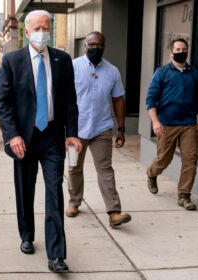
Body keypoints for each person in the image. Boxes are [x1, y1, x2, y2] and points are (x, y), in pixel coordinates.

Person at [0, 10, 82, 273]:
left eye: (47, 27)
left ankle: (56, 255)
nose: (43, 32)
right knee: (25, 190)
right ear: (27, 32)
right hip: (24, 138)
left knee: (54, 192)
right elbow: (3, 103)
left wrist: (72, 132)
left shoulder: (62, 59)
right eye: (38, 28)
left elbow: (69, 100)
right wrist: (12, 135)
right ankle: (26, 235)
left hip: (52, 137)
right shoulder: (12, 61)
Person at [65, 31, 131, 228]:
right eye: (92, 45)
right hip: (75, 128)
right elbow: (62, 97)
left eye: (99, 45)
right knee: (74, 167)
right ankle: (74, 202)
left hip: (101, 128)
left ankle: (114, 212)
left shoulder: (112, 71)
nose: (95, 49)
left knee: (105, 169)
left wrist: (121, 128)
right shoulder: (73, 67)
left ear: (104, 47)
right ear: (85, 45)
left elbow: (118, 99)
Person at [145, 38, 198, 211]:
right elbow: (150, 99)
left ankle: (184, 195)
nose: (181, 51)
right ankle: (152, 173)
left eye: (184, 49)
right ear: (171, 53)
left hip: (188, 124)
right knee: (164, 159)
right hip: (166, 124)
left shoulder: (194, 74)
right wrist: (155, 121)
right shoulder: (162, 72)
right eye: (178, 49)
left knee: (190, 160)